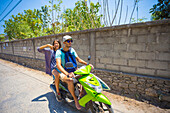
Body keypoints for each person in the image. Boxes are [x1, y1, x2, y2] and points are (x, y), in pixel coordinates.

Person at [53, 35, 94, 110]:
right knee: (70, 80)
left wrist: (87, 64)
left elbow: (79, 59)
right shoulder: (59, 52)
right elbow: (58, 65)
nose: (70, 42)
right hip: (64, 71)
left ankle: (81, 93)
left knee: (86, 76)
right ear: (64, 42)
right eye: (68, 41)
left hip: (74, 70)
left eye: (71, 41)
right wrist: (67, 74)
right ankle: (75, 100)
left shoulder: (72, 50)